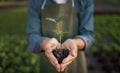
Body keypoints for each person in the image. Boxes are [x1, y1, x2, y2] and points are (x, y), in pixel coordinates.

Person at [26, 0, 94, 72]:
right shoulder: (36, 2)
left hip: (76, 62)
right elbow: (32, 37)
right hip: (49, 59)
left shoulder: (84, 1)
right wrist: (46, 44)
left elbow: (88, 35)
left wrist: (75, 43)